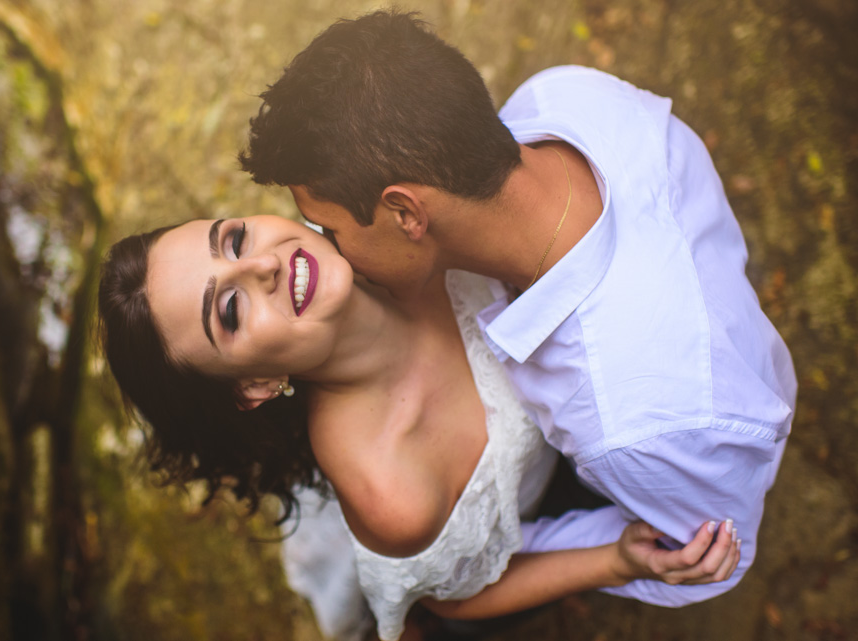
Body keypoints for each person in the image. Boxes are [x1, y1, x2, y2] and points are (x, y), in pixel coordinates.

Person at [240, 9, 795, 612]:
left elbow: (708, 552)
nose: (326, 248)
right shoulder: (563, 94)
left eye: (331, 227)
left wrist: (604, 552)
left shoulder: (635, 424)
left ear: (406, 213)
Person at [97, 215, 739, 641]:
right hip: (540, 508)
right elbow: (457, 597)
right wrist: (614, 561)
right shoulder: (390, 492)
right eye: (231, 310)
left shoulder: (383, 213)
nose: (262, 266)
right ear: (256, 386)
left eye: (235, 239)